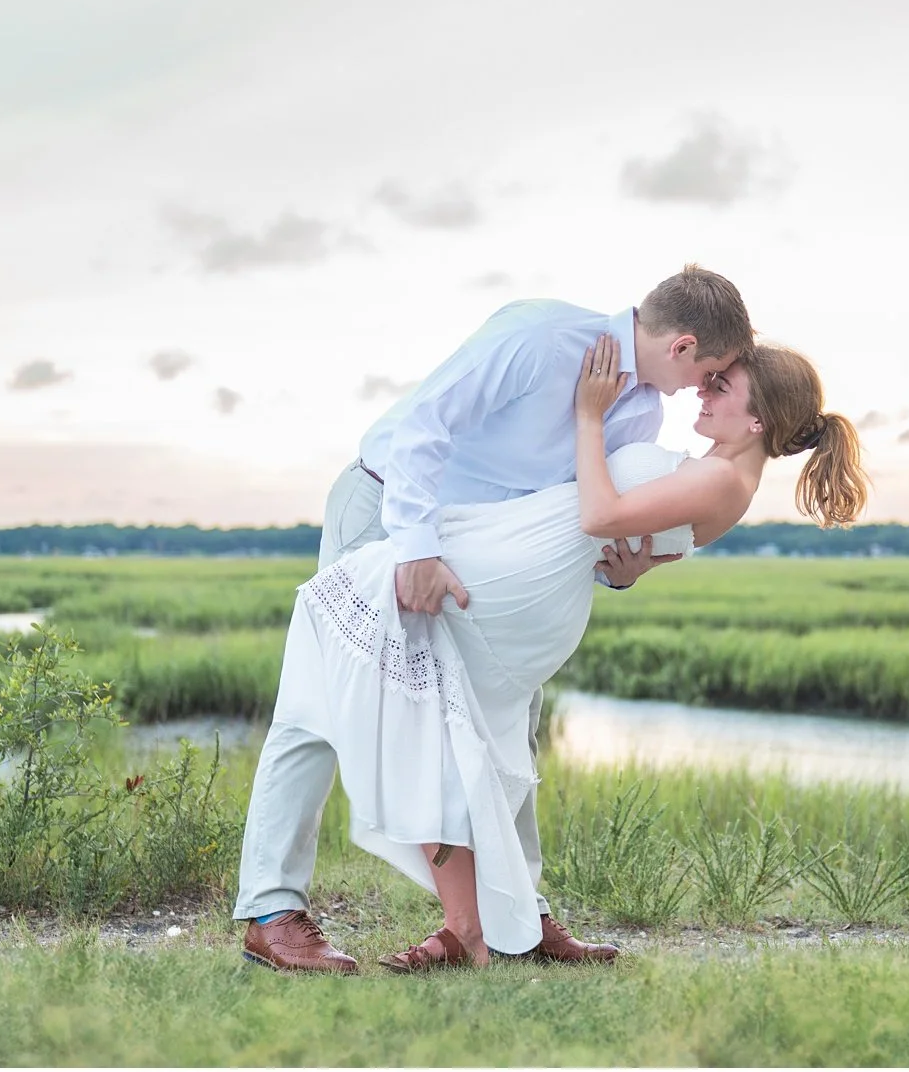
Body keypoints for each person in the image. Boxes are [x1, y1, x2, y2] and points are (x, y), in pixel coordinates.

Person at [261, 333, 869, 971]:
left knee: (421, 717)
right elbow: (637, 552)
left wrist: (588, 415)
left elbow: (599, 516)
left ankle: (459, 927)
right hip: (518, 569)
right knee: (447, 736)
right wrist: (629, 569)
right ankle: (480, 926)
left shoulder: (723, 479)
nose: (704, 389)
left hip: (513, 587)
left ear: (758, 420)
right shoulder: (711, 471)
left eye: (723, 385)